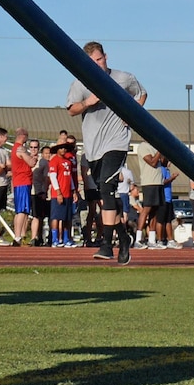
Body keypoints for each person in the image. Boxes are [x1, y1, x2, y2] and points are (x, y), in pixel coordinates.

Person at [66, 42, 147, 264]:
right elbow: (71, 109)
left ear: (106, 57)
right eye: (93, 62)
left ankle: (106, 245)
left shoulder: (123, 78)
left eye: (100, 60)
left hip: (117, 142)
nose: (98, 65)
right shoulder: (81, 83)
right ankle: (123, 238)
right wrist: (87, 102)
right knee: (105, 195)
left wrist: (132, 114)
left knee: (107, 188)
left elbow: (142, 94)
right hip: (93, 148)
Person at [133, 141, 167, 247]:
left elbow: (164, 163)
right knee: (146, 210)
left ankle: (152, 240)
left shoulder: (155, 146)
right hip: (149, 182)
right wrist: (159, 151)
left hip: (158, 182)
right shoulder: (143, 147)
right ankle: (138, 239)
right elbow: (152, 162)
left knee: (155, 212)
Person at [47, 132, 76, 247]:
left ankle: (66, 239)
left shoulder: (68, 161)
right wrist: (58, 193)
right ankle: (55, 239)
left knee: (66, 217)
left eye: (65, 148)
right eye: (61, 148)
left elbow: (70, 178)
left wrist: (73, 191)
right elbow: (53, 177)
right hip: (58, 194)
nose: (63, 150)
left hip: (68, 193)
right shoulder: (54, 161)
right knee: (56, 216)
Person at [9, 129, 35, 245]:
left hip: (20, 182)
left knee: (21, 210)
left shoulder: (14, 148)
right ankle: (18, 236)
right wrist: (31, 156)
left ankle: (18, 235)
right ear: (23, 136)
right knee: (22, 211)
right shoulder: (20, 149)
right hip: (23, 182)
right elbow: (31, 163)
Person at [27, 139, 50, 245]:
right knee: (24, 214)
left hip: (37, 192)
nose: (33, 149)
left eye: (35, 147)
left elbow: (46, 178)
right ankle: (23, 236)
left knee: (38, 215)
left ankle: (35, 237)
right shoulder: (25, 159)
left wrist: (44, 191)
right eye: (31, 147)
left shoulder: (43, 162)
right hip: (26, 189)